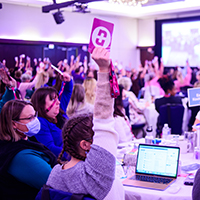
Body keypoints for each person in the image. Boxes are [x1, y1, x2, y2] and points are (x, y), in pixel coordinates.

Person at [46, 47, 125, 200]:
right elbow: (104, 120)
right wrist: (103, 69)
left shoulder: (55, 173)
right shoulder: (99, 177)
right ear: (85, 145)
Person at [0, 100, 57, 200]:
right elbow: (55, 181)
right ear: (14, 124)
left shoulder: (26, 138)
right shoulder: (20, 156)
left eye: (35, 115)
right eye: (30, 118)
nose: (35, 120)